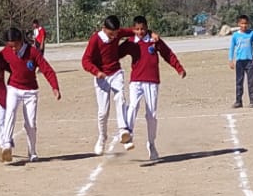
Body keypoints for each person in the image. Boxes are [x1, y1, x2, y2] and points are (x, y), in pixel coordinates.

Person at [119, 16, 186, 162]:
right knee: (133, 106)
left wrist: (179, 68)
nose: (140, 32)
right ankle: (128, 134)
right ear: (133, 29)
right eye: (136, 29)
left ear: (147, 28)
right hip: (136, 81)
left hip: (152, 81)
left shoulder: (154, 41)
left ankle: (151, 143)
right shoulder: (131, 42)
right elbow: (116, 53)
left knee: (151, 115)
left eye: (142, 29)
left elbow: (168, 54)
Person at [0, 26, 61, 163]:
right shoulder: (7, 51)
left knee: (30, 123)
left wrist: (55, 87)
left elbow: (47, 69)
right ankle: (6, 145)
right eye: (10, 46)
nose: (12, 49)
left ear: (21, 41)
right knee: (10, 113)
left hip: (30, 91)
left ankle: (32, 151)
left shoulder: (33, 52)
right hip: (13, 88)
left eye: (14, 46)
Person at [80, 14, 131, 154]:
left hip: (116, 73)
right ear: (104, 29)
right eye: (110, 34)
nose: (113, 37)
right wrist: (96, 72)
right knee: (103, 112)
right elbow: (85, 61)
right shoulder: (95, 39)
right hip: (101, 76)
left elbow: (134, 31)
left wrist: (150, 33)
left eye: (115, 34)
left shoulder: (118, 33)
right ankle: (102, 137)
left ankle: (123, 131)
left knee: (120, 97)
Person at [228, 14, 253, 108]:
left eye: (245, 23)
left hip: (250, 61)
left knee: (251, 82)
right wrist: (231, 60)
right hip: (239, 61)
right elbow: (231, 48)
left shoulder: (252, 33)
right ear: (238, 24)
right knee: (239, 82)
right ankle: (238, 101)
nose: (244, 25)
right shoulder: (235, 35)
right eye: (242, 23)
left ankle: (252, 100)